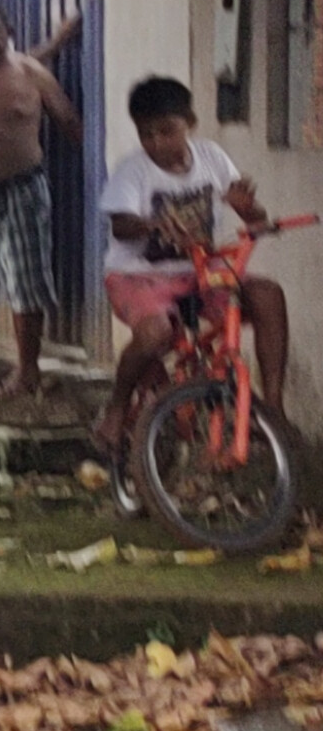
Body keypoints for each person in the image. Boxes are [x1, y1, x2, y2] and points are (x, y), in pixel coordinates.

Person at [95, 74, 291, 463]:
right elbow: (120, 224)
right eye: (146, 134)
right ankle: (116, 407)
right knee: (154, 334)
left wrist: (251, 210)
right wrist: (152, 225)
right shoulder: (133, 170)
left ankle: (272, 411)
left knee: (268, 294)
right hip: (137, 276)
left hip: (200, 272)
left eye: (167, 131)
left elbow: (252, 216)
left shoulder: (212, 158)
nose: (156, 143)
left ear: (190, 122)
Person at [0, 4, 81, 404]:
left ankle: (27, 371)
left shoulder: (28, 71)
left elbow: (69, 121)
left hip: (20, 191)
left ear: (6, 29)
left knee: (25, 284)